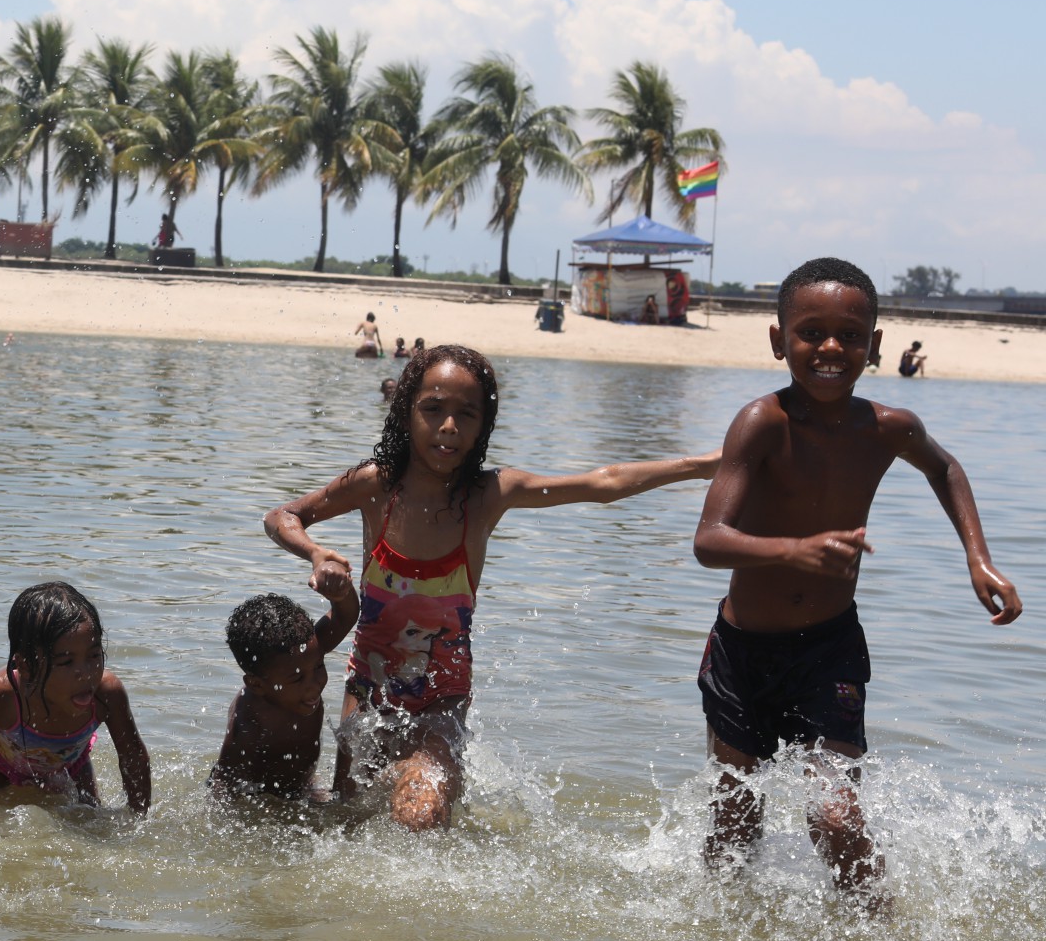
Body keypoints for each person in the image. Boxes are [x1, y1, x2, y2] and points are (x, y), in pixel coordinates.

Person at [264, 343, 717, 829]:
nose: (448, 428)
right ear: (406, 412)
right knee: (349, 823)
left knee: (421, 815)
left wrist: (711, 464)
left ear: (484, 425)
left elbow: (605, 482)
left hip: (444, 701)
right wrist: (315, 552)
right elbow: (282, 516)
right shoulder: (375, 486)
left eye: (466, 414)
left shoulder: (489, 496)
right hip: (369, 693)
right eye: (432, 409)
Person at [692, 258, 1019, 906]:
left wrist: (977, 557)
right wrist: (794, 548)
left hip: (829, 649)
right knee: (734, 822)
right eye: (811, 332)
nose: (831, 347)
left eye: (851, 333)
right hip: (742, 652)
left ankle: (881, 929)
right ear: (778, 340)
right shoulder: (762, 422)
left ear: (876, 344)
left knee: (835, 818)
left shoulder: (886, 427)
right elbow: (709, 541)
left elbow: (946, 468)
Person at [0, 582, 151, 811]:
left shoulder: (107, 694)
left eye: (94, 656)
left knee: (89, 817)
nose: (85, 674)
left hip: (70, 766)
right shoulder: (0, 695)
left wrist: (138, 818)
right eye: (66, 662)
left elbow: (132, 756)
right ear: (25, 666)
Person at [209, 583, 359, 801]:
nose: (314, 684)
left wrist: (340, 587)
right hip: (260, 798)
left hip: (304, 788)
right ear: (257, 685)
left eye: (319, 666)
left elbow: (346, 615)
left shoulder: (306, 650)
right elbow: (223, 785)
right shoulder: (248, 721)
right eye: (297, 678)